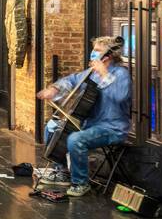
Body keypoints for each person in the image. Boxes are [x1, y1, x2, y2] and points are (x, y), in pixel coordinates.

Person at [37, 35, 132, 196]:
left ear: (108, 56)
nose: (93, 53)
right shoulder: (91, 73)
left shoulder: (121, 74)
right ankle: (62, 172)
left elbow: (120, 96)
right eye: (93, 50)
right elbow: (71, 80)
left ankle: (81, 183)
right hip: (90, 124)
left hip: (112, 127)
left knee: (76, 139)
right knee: (52, 127)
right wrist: (55, 88)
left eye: (97, 51)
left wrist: (104, 75)